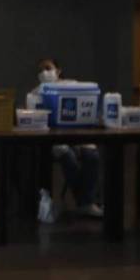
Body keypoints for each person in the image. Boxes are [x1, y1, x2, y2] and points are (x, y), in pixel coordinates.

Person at [28, 58, 103, 218]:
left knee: (93, 156)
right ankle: (86, 202)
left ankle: (85, 201)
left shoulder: (73, 86)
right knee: (67, 156)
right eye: (40, 70)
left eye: (48, 68)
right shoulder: (36, 92)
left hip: (79, 135)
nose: (44, 73)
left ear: (58, 70)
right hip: (54, 139)